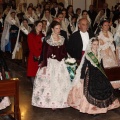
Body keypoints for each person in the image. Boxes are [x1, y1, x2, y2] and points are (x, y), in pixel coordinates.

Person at [67, 38, 120, 114]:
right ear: (91, 45)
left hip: (99, 73)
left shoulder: (99, 53)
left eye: (97, 44)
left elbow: (101, 65)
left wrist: (104, 74)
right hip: (91, 74)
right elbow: (84, 67)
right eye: (94, 44)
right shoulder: (88, 55)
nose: (96, 46)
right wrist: (82, 77)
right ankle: (93, 108)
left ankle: (104, 106)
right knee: (92, 90)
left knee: (105, 89)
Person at [32, 21, 71, 109]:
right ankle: (52, 103)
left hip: (60, 63)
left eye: (59, 28)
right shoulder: (48, 39)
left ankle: (61, 102)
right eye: (56, 28)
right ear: (52, 29)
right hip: (50, 63)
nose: (58, 30)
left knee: (61, 83)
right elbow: (44, 53)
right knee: (50, 84)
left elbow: (64, 51)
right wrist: (44, 65)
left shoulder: (62, 38)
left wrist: (65, 59)